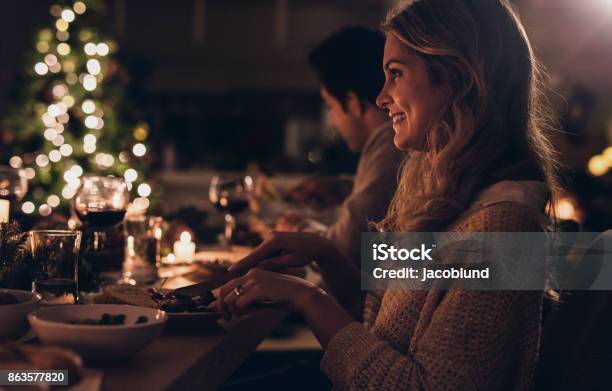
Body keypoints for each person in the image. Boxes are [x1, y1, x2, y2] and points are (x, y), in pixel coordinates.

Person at [216, 0, 562, 389]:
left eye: (395, 74)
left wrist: (309, 299)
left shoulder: (503, 228)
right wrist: (326, 254)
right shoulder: (446, 200)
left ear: (458, 77)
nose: (381, 98)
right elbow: (378, 331)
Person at [276, 26, 405, 265]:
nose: (333, 120)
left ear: (352, 101)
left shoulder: (392, 143)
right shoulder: (388, 145)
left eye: (330, 106)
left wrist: (297, 228)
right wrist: (344, 188)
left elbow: (347, 250)